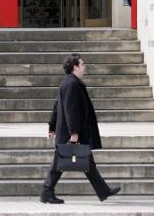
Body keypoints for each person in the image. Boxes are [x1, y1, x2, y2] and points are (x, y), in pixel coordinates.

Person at [40, 54, 121, 204]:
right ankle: (46, 191)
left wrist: (52, 126)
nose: (85, 66)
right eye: (82, 64)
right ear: (75, 67)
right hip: (72, 133)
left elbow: (57, 107)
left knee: (87, 162)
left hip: (73, 132)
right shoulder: (71, 84)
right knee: (59, 164)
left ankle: (103, 190)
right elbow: (70, 110)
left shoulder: (69, 83)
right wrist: (74, 133)